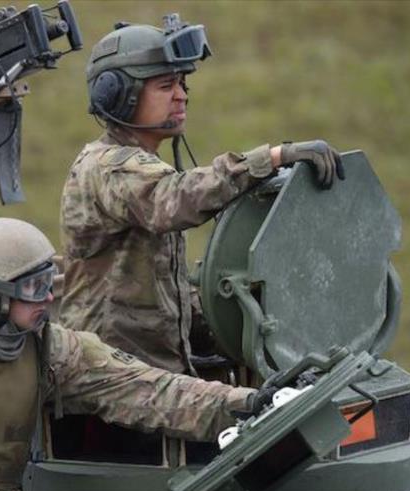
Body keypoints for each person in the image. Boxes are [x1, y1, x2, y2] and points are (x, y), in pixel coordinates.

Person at [0, 217, 267, 491]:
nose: (48, 296)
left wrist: (246, 404)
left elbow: (146, 391)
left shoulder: (50, 349)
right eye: (32, 288)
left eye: (48, 280)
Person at [58, 15, 345, 375]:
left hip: (153, 374)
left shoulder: (141, 164)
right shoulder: (106, 167)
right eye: (165, 86)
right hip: (110, 383)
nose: (181, 96)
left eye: (181, 83)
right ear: (119, 96)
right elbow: (172, 199)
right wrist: (270, 159)